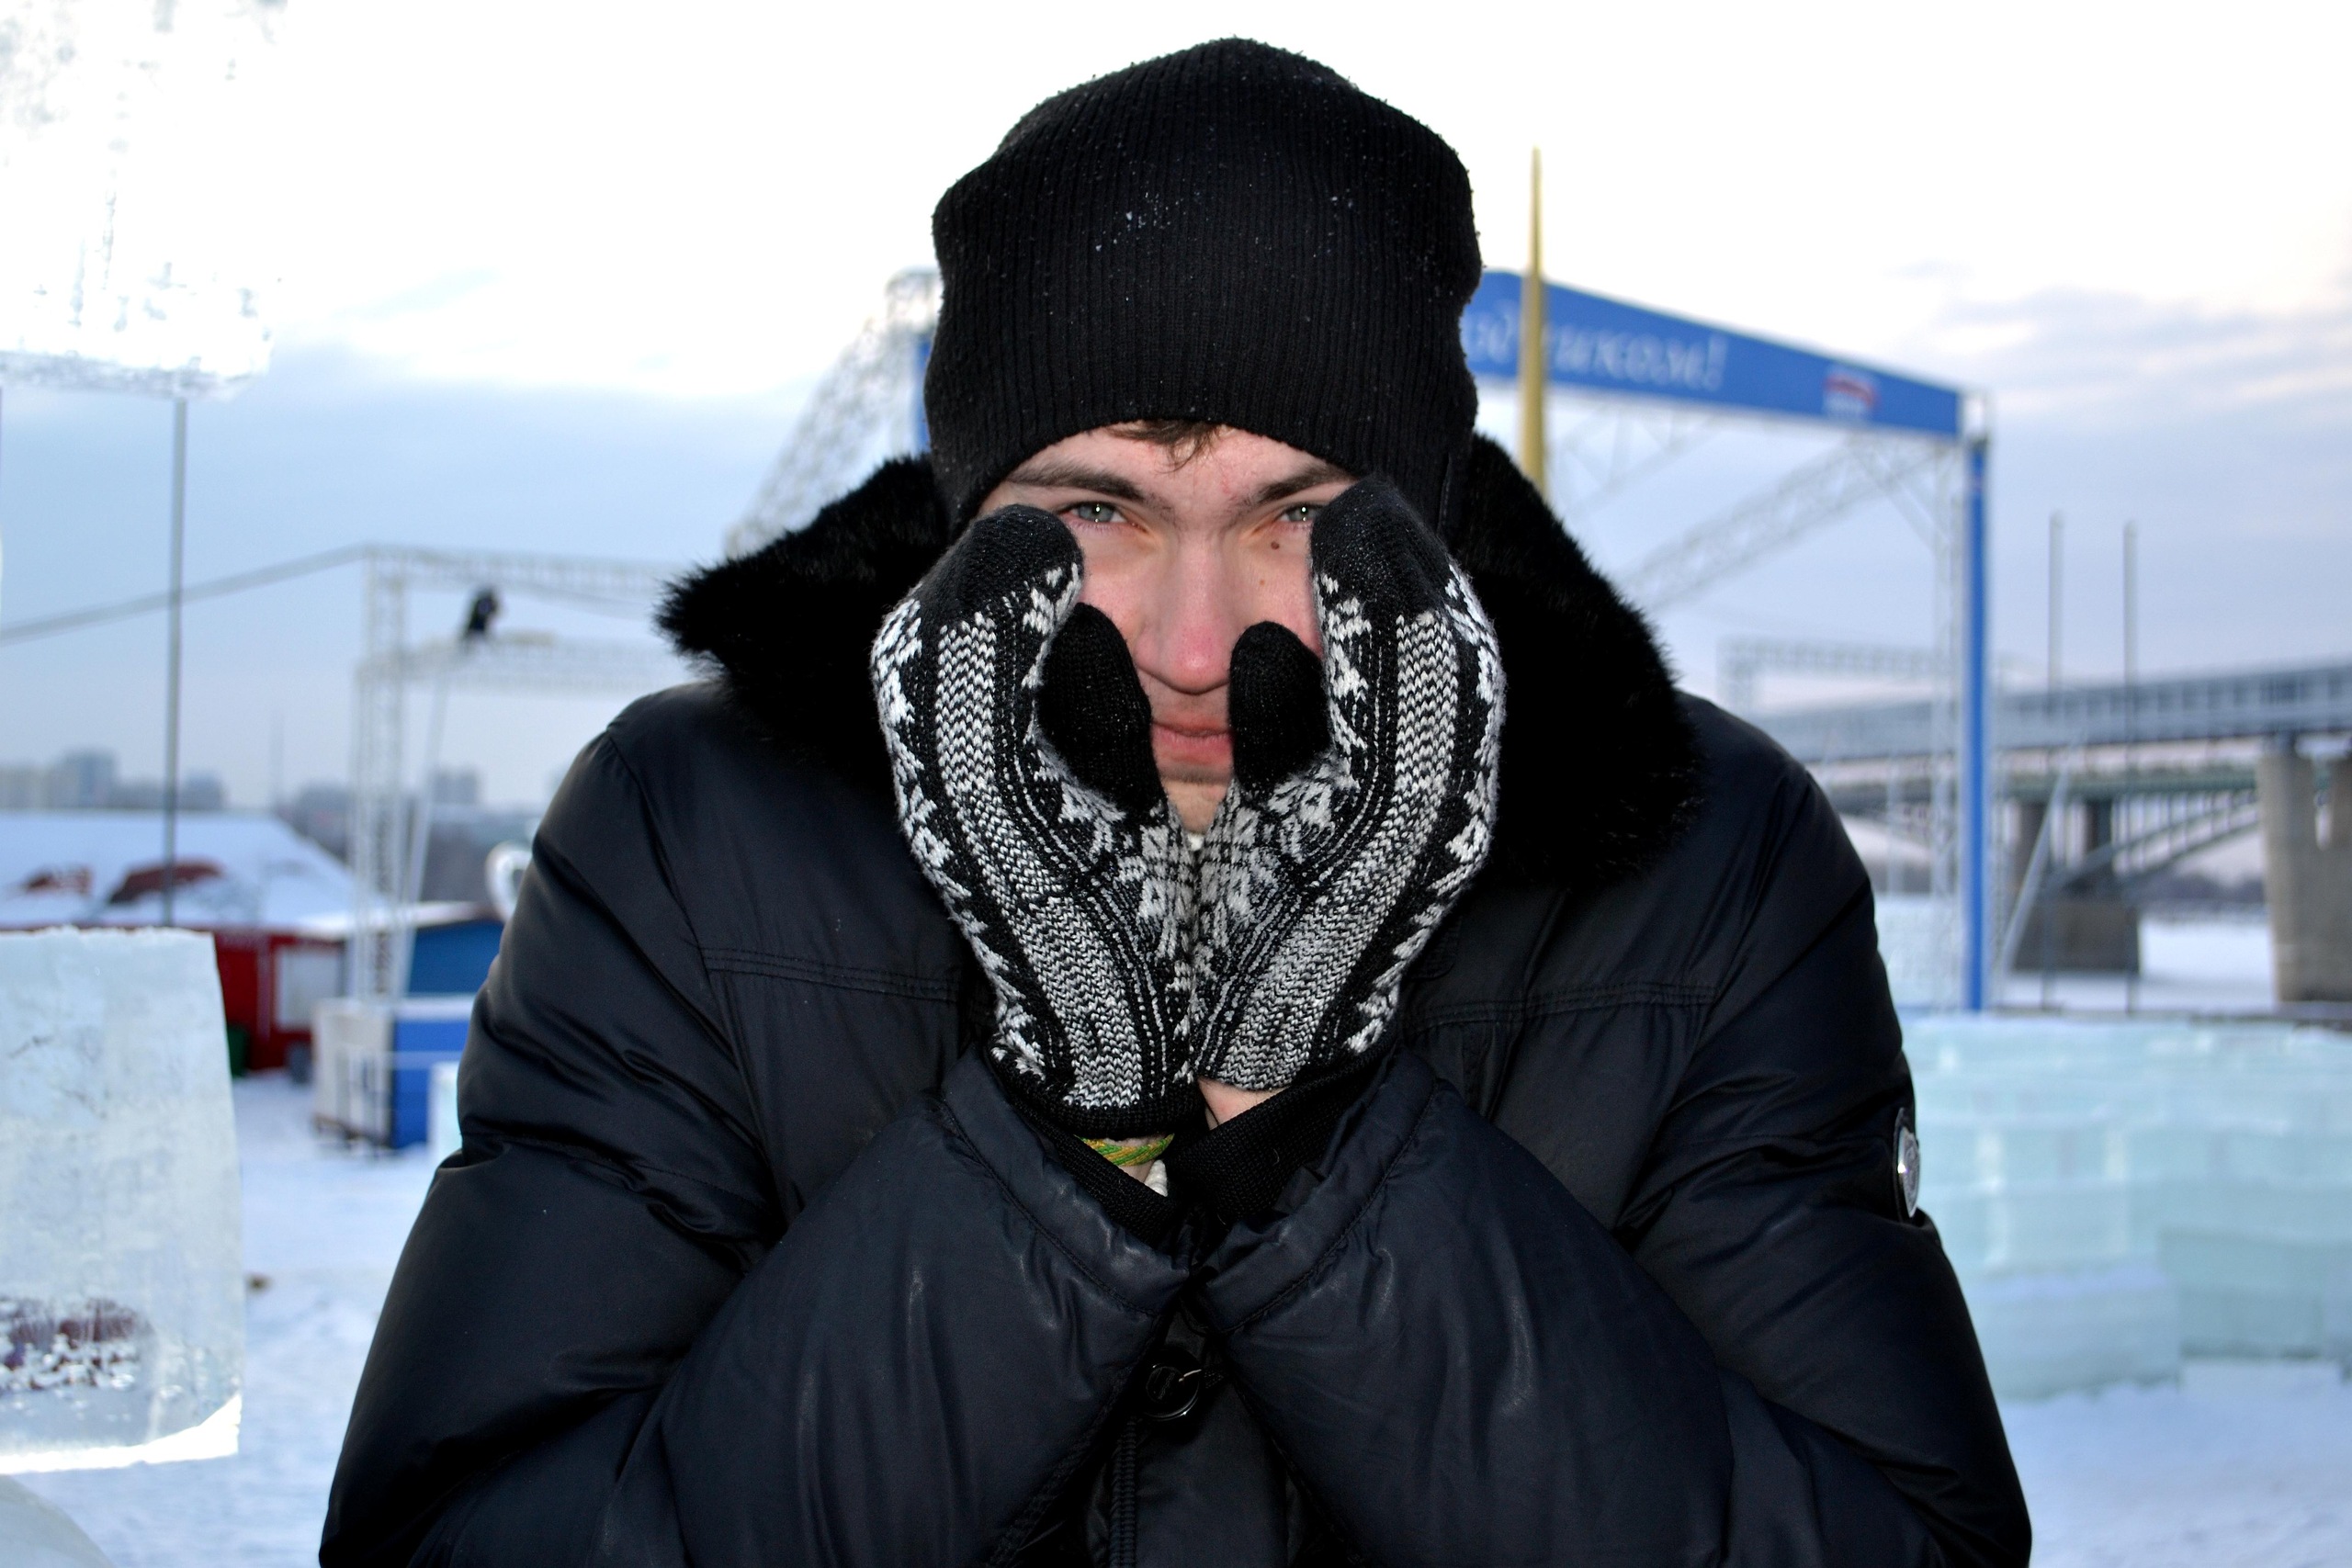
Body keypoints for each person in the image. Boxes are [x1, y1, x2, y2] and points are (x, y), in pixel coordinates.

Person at [323, 39, 2029, 1568]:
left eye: (1298, 515)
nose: (1194, 644)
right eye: (1098, 511)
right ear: (969, 514)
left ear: (1423, 527)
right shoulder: (693, 834)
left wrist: (1311, 1125)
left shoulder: (1715, 862)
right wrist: (1066, 1138)